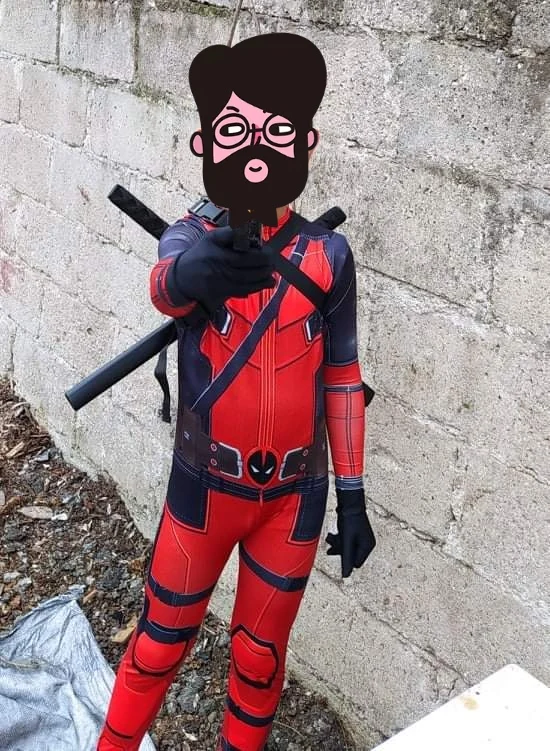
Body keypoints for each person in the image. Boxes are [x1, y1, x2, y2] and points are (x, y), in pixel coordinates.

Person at [97, 32, 375, 751]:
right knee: (158, 645)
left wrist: (352, 494)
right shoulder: (191, 236)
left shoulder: (328, 255)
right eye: (234, 131)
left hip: (295, 497)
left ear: (305, 141)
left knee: (260, 661)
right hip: (204, 490)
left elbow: (342, 373)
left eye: (276, 131)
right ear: (205, 145)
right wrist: (192, 274)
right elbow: (165, 283)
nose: (256, 149)